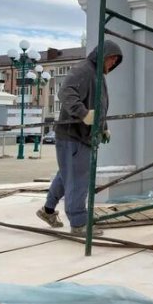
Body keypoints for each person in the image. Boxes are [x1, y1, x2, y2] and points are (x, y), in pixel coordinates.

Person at [36, 40, 123, 237]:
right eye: (112, 59)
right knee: (77, 180)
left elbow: (98, 107)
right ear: (103, 56)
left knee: (66, 175)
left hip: (80, 136)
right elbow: (65, 92)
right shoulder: (84, 70)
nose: (113, 64)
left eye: (116, 61)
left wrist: (103, 128)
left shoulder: (97, 75)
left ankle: (48, 210)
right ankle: (78, 224)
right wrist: (82, 113)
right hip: (73, 135)